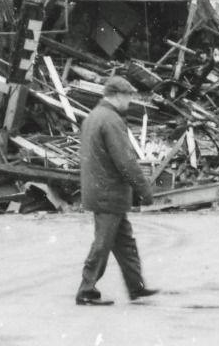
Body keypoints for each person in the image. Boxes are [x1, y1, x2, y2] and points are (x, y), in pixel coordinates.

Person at [75, 75, 159, 306]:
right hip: (108, 193)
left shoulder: (94, 116)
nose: (130, 102)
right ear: (117, 96)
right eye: (129, 96)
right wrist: (144, 190)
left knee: (125, 243)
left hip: (102, 190)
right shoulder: (111, 120)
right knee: (102, 244)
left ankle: (136, 287)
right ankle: (86, 290)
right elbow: (125, 161)